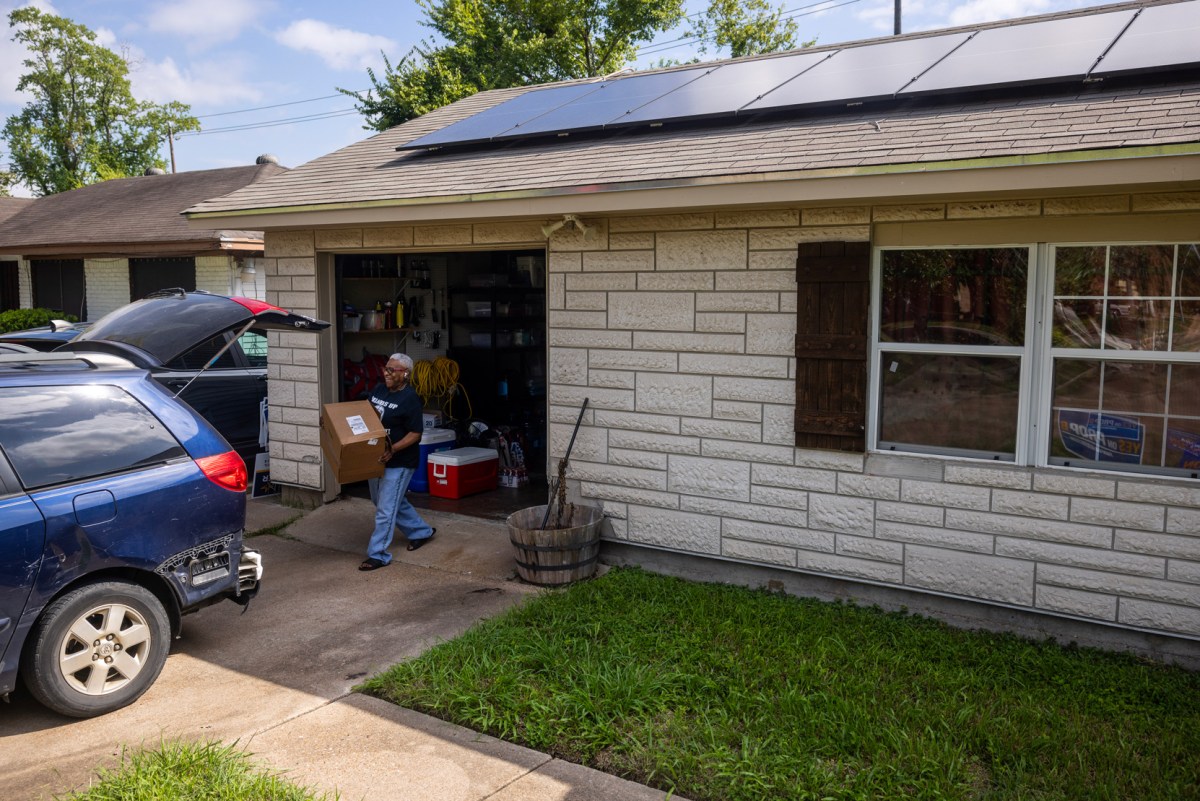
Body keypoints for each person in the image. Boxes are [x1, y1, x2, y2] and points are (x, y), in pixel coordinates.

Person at [360, 352, 435, 570]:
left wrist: (393, 449)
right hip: (377, 457)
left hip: (400, 461)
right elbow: (365, 413)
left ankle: (378, 554)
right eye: (386, 368)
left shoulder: (410, 398)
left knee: (385, 508)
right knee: (385, 501)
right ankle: (421, 531)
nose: (386, 373)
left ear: (405, 374)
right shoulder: (380, 390)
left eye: (392, 370)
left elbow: (415, 433)